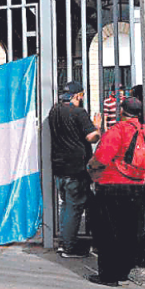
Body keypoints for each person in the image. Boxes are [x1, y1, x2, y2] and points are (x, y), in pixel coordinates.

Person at [86, 97, 145, 286]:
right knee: (130, 231)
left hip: (111, 186)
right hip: (137, 187)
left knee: (108, 232)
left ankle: (108, 276)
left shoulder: (116, 131)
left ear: (121, 111)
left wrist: (90, 168)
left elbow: (100, 159)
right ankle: (124, 272)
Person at [48, 80, 101, 258]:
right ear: (78, 95)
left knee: (66, 206)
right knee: (74, 208)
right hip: (76, 169)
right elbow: (92, 137)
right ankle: (69, 247)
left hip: (59, 168)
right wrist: (98, 127)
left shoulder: (54, 111)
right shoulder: (79, 113)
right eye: (82, 95)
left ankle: (65, 242)